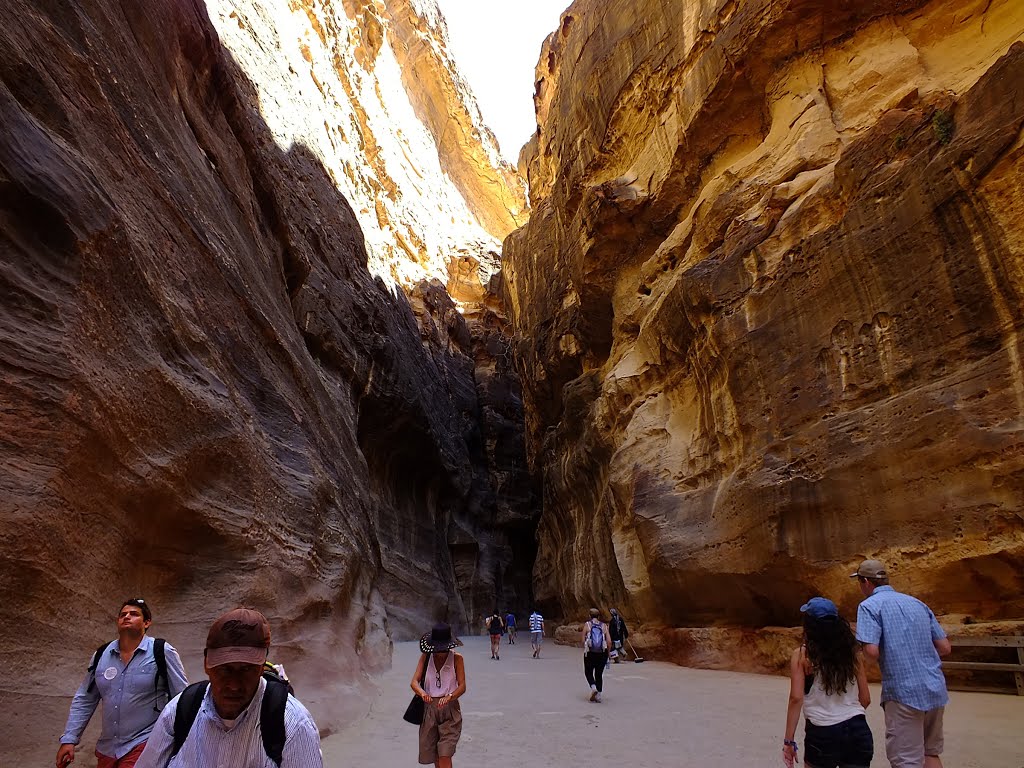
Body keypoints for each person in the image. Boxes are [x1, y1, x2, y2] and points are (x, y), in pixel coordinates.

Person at [135, 607, 323, 768]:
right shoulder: (179, 712)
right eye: (225, 669)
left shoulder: (293, 723)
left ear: (261, 667)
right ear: (207, 664)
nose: (234, 685)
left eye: (246, 670)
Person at [57, 598, 188, 768]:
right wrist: (69, 739)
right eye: (122, 615)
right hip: (107, 749)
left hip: (146, 742)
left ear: (147, 622)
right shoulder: (101, 655)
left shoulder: (162, 651)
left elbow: (182, 697)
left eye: (134, 614)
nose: (126, 617)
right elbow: (85, 699)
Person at [851, 560, 951, 768]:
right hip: (934, 687)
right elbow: (944, 647)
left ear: (866, 582)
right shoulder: (916, 603)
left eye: (860, 582)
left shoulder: (868, 606)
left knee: (905, 760)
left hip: (903, 691)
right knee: (929, 753)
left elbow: (871, 651)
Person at [782, 597, 873, 768]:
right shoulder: (852, 653)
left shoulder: (803, 655)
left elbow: (796, 697)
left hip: (822, 731)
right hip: (857, 728)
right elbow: (866, 699)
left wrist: (789, 740)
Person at [410, 624, 466, 768]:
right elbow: (414, 682)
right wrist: (422, 693)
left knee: (445, 753)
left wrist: (450, 696)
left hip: (450, 709)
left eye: (442, 648)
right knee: (435, 754)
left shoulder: (457, 659)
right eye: (436, 648)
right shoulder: (426, 657)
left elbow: (462, 686)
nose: (439, 652)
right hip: (429, 710)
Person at [581, 608, 611, 702]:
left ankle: (593, 687)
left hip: (590, 652)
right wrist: (608, 653)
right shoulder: (604, 626)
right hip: (602, 653)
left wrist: (586, 646)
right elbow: (609, 641)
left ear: (589, 616)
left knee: (588, 671)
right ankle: (599, 695)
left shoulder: (587, 624)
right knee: (599, 674)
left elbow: (582, 640)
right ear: (598, 616)